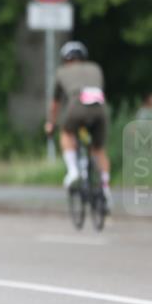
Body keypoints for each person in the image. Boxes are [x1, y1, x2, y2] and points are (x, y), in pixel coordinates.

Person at [45, 41, 110, 205]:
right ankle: (105, 187)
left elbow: (55, 104)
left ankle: (73, 171)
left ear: (66, 59)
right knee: (98, 148)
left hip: (76, 106)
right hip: (99, 108)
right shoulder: (95, 68)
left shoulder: (62, 72)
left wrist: (51, 123)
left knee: (66, 132)